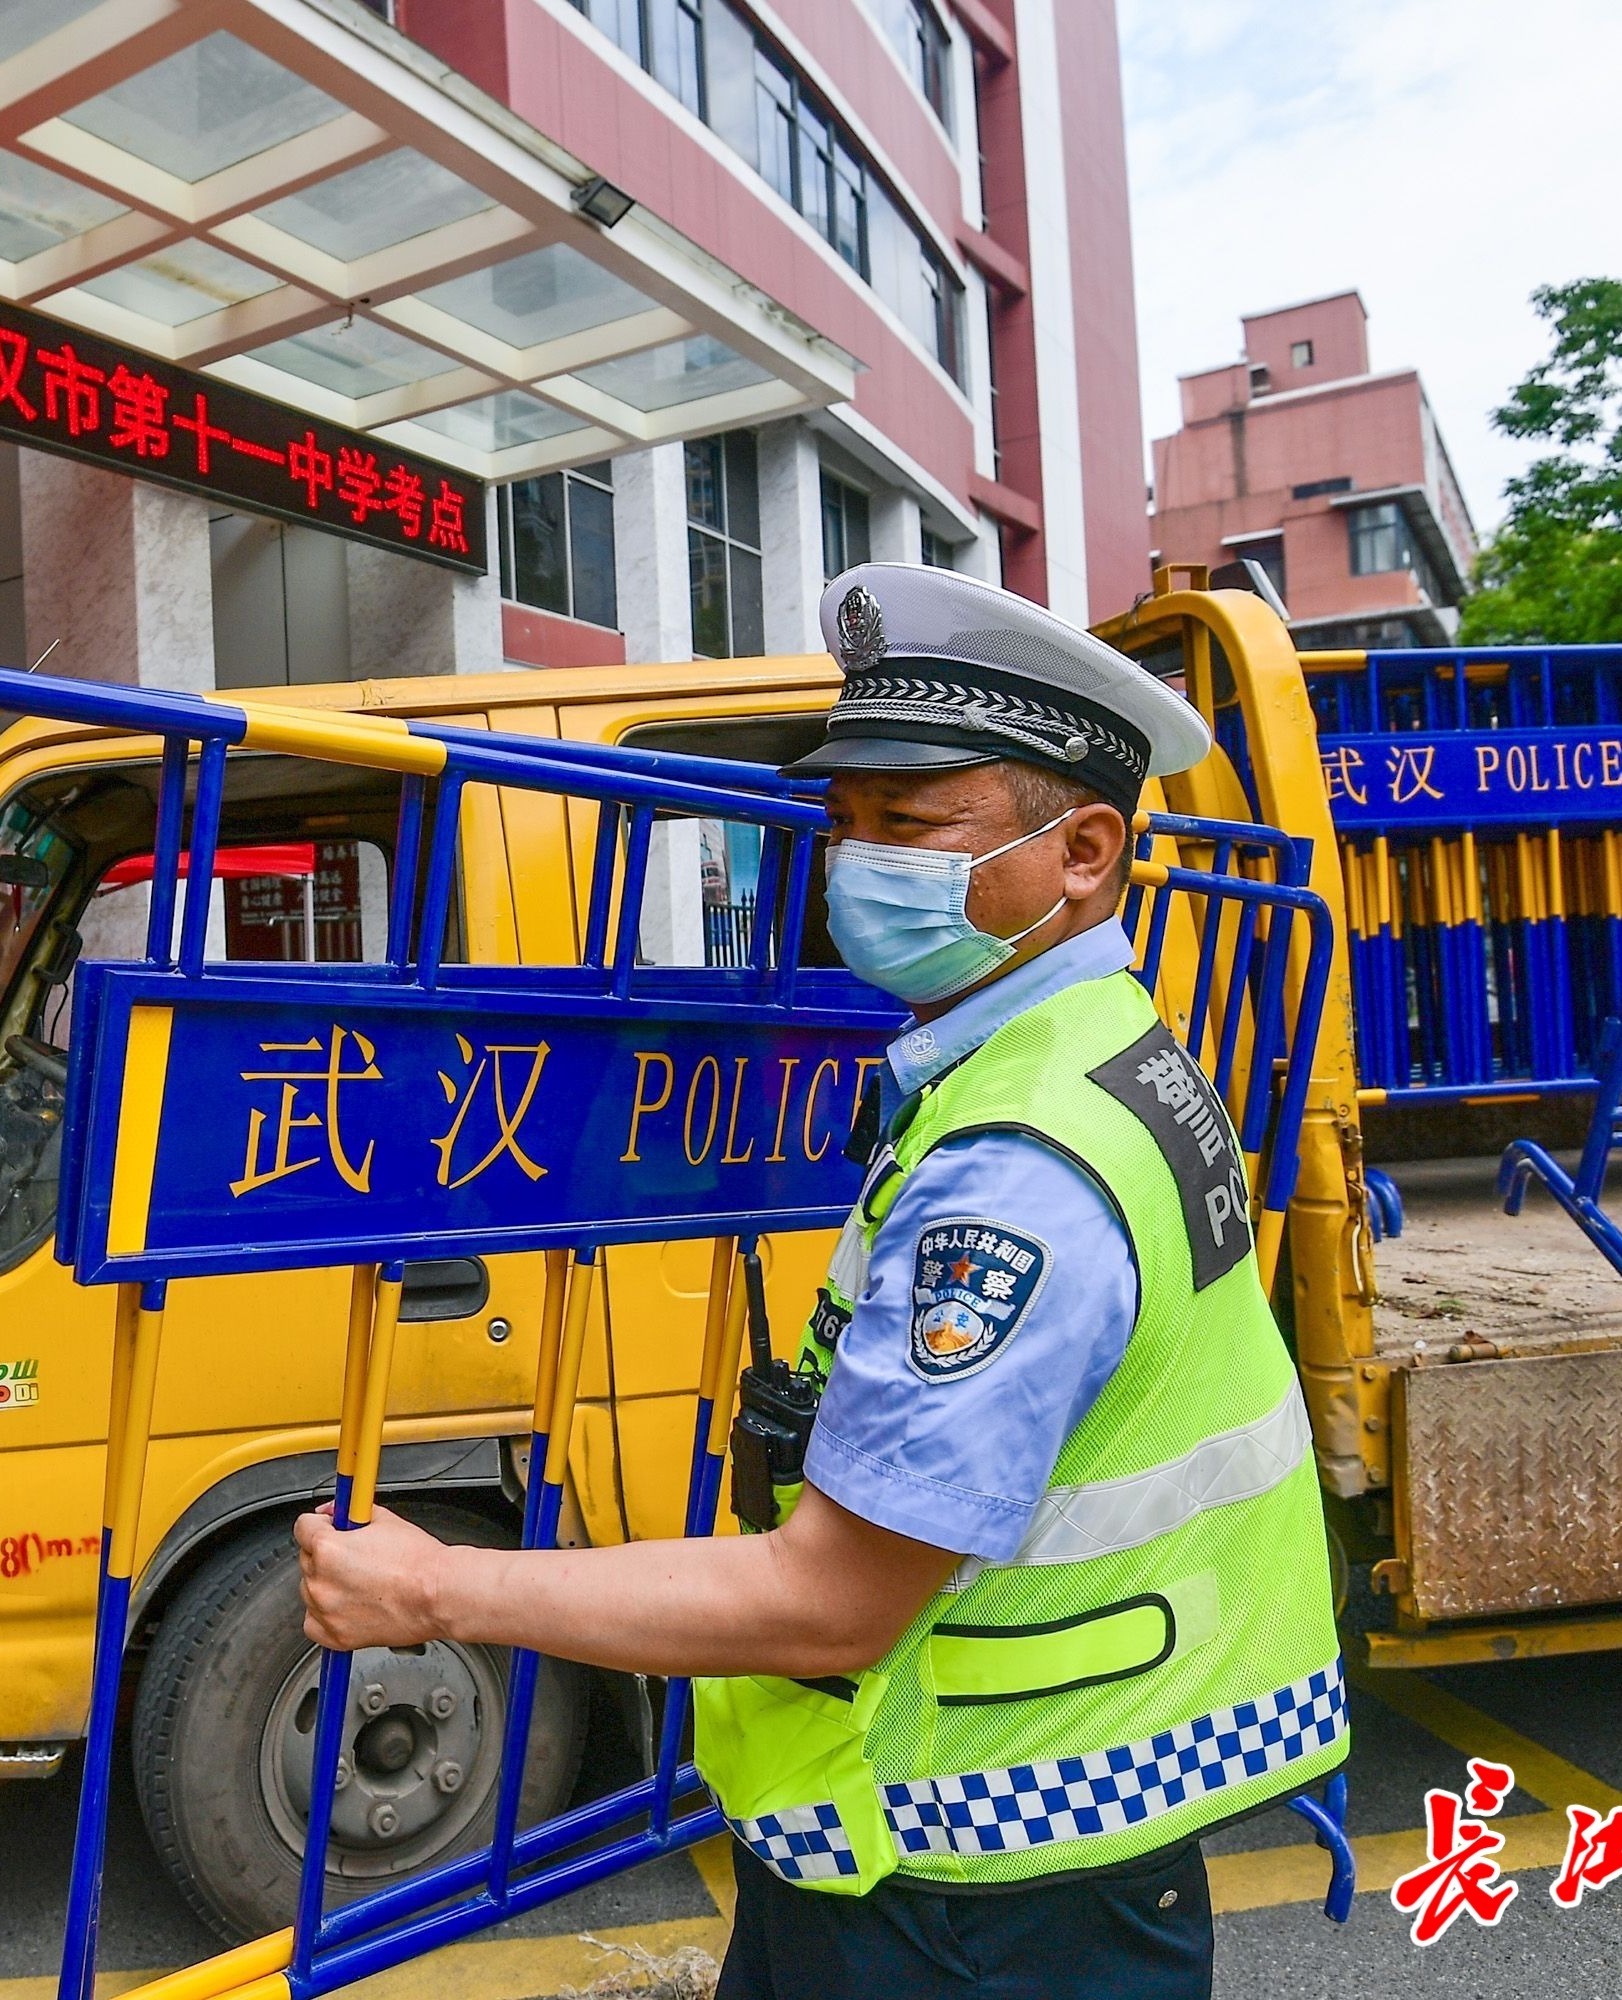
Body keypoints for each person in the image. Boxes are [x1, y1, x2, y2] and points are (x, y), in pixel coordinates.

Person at [295, 563, 1345, 1999]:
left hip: (974, 1900)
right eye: (845, 822)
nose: (856, 864)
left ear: (1086, 851)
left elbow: (832, 1600)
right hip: (1008, 1851)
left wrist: (438, 1586)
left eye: (910, 825)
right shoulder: (1093, 1048)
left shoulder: (1019, 1168)